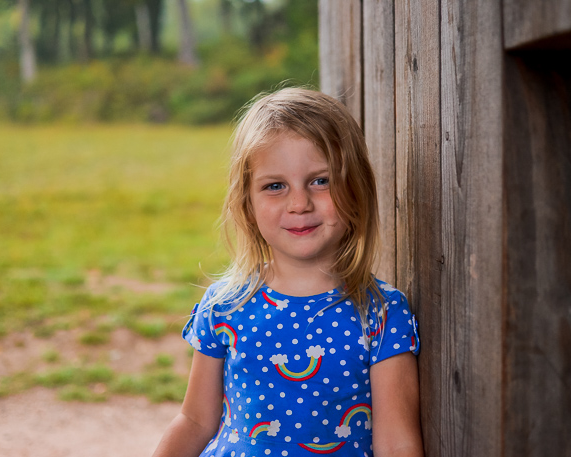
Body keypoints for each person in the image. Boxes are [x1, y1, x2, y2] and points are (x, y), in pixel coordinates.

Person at [152, 88, 423, 457]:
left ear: (356, 190)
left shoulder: (381, 313)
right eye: (275, 186)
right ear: (248, 205)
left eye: (320, 181)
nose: (299, 203)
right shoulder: (225, 305)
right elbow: (195, 421)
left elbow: (397, 442)